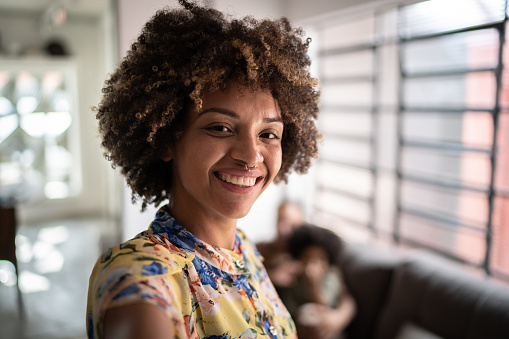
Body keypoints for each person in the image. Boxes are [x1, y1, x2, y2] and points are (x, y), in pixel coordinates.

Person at [86, 1, 320, 338]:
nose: (251, 156)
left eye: (268, 134)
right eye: (221, 128)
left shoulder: (243, 249)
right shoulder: (141, 278)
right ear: (168, 140)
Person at [282, 224, 357, 339]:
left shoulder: (331, 277)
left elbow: (324, 306)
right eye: (307, 256)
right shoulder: (292, 275)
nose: (313, 263)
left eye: (320, 259)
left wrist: (314, 285)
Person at [257, 201, 305, 289]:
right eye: (280, 220)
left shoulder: (305, 257)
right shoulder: (258, 249)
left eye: (290, 224)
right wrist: (272, 278)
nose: (282, 228)